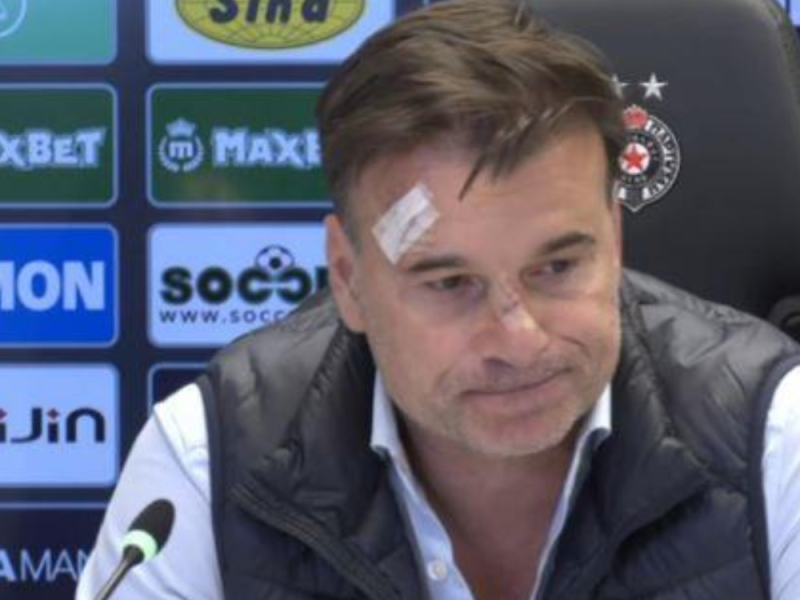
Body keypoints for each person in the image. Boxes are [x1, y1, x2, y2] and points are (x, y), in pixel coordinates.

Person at [77, 1, 800, 599]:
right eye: (451, 283)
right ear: (349, 278)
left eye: (557, 266)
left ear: (613, 235)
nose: (519, 338)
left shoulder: (773, 438)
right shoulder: (212, 457)